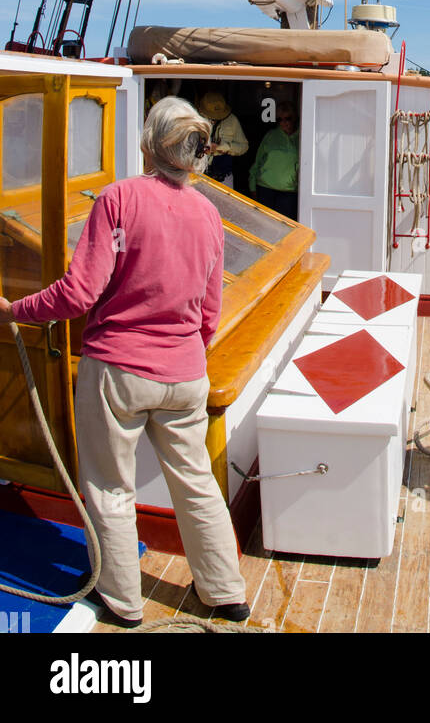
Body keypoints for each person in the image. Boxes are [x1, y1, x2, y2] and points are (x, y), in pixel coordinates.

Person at [0, 97, 250, 627]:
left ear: (149, 142)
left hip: (118, 372)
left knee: (111, 489)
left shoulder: (117, 199)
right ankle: (226, 591)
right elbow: (210, 310)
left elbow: (77, 294)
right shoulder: (209, 212)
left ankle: (122, 602)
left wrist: (14, 312)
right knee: (198, 483)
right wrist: (185, 352)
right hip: (185, 374)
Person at [249, 101, 299, 219]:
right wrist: (252, 188)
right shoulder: (271, 136)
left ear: (294, 118)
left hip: (289, 192)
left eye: (288, 118)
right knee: (265, 227)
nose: (284, 122)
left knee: (284, 230)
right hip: (265, 189)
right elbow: (257, 163)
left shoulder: (302, 136)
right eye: (279, 119)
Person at [198, 90, 249, 188]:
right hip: (197, 174)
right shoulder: (195, 119)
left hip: (224, 177)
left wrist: (224, 147)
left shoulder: (232, 120)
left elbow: (244, 147)